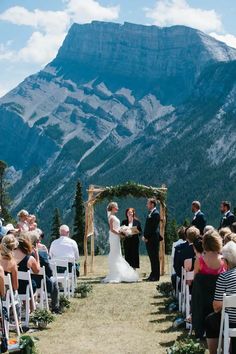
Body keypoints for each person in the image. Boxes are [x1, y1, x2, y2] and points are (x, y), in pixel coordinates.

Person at [206, 241, 236, 354]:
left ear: (227, 261)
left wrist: (226, 302)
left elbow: (216, 306)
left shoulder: (224, 277)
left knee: (210, 320)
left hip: (231, 322)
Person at [103, 202, 139, 283]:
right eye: (116, 207)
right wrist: (120, 233)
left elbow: (117, 227)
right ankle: (115, 272)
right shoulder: (111, 217)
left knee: (117, 253)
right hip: (114, 237)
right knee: (115, 253)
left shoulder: (113, 216)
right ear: (112, 208)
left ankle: (118, 272)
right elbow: (112, 229)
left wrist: (123, 229)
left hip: (116, 237)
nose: (118, 208)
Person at [29, 232, 60, 314]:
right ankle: (55, 308)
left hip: (27, 284)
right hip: (40, 283)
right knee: (55, 284)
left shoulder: (24, 255)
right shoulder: (41, 254)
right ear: (37, 242)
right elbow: (49, 271)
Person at [143, 198, 161, 282]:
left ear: (152, 204)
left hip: (153, 239)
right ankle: (152, 274)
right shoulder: (151, 213)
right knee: (152, 258)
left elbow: (153, 228)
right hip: (149, 239)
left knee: (155, 258)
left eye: (148, 203)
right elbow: (148, 227)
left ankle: (156, 276)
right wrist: (144, 236)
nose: (146, 205)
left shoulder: (156, 214)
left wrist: (146, 237)